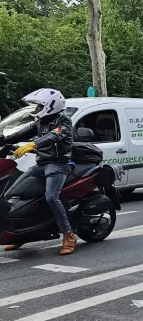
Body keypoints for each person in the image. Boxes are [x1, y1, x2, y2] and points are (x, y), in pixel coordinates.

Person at [0, 88, 76, 254]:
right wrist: (4, 139)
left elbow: (54, 137)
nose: (35, 110)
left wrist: (34, 144)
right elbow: (22, 133)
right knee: (10, 194)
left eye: (38, 107)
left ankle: (68, 234)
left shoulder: (64, 122)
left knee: (51, 197)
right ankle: (19, 234)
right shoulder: (40, 122)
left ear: (50, 106)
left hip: (58, 165)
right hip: (41, 164)